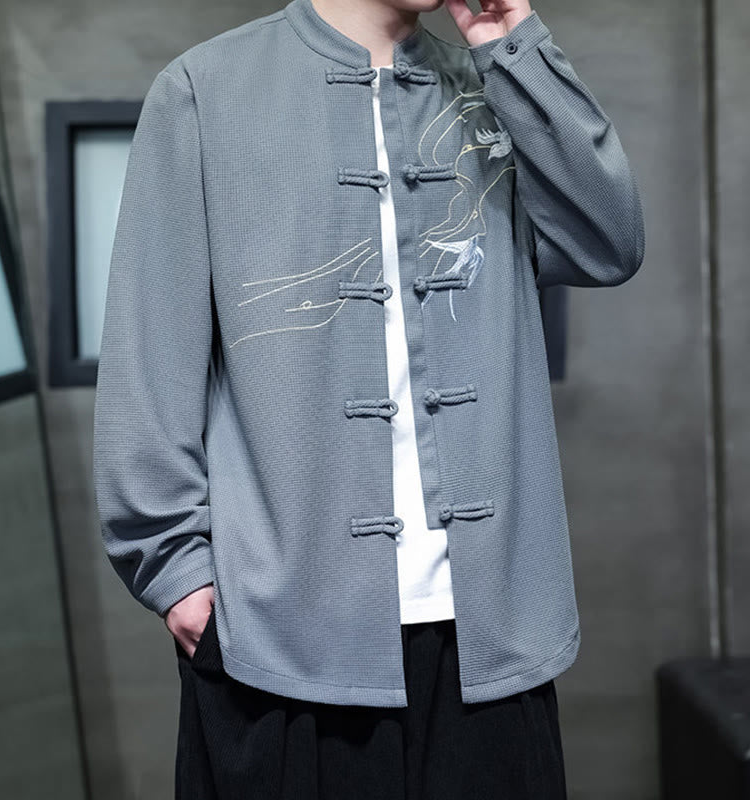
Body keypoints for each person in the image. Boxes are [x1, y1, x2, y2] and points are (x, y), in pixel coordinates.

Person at [92, 0, 645, 797]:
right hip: (280, 644)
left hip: (489, 642)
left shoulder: (493, 88)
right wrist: (177, 572)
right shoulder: (203, 92)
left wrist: (511, 44)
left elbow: (609, 242)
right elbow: (150, 353)